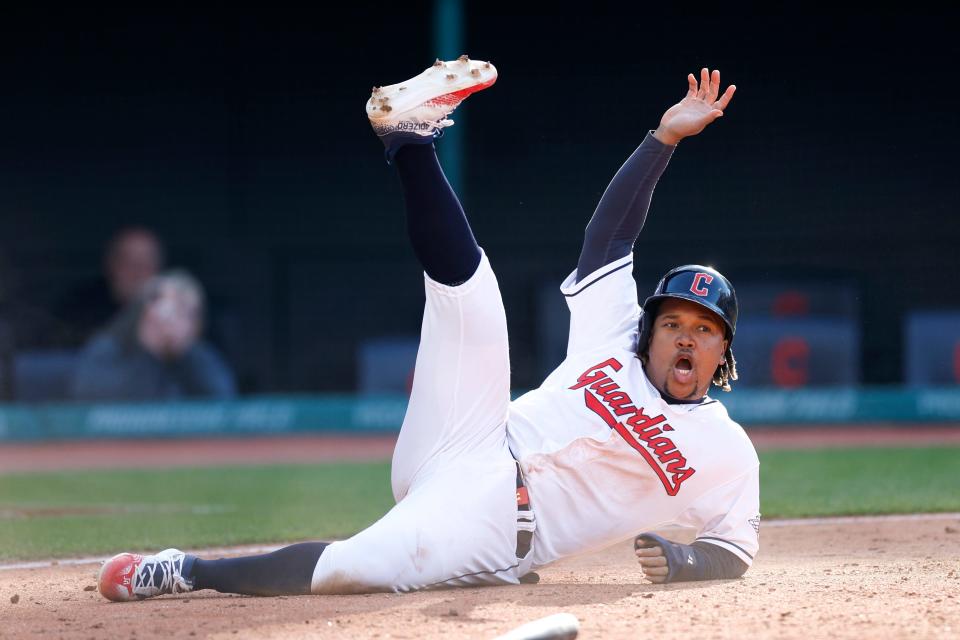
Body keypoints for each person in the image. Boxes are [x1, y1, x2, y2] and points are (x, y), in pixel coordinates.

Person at [97, 57, 758, 601]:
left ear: (723, 351)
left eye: (704, 330)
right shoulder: (613, 341)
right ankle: (409, 140)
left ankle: (183, 570)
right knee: (475, 298)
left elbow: (732, 548)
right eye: (673, 321)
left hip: (493, 525)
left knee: (355, 571)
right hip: (472, 434)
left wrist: (684, 561)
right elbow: (608, 236)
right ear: (649, 330)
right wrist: (662, 140)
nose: (685, 337)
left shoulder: (724, 450)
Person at [71, 269, 236, 401]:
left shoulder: (199, 356)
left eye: (186, 313)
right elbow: (89, 396)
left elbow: (224, 402)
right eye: (168, 309)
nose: (172, 321)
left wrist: (183, 351)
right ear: (144, 312)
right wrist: (150, 350)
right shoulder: (109, 348)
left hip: (185, 442)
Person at [56, 227, 166, 345]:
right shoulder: (79, 306)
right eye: (129, 262)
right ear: (111, 265)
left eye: (146, 263)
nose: (138, 272)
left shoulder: (173, 311)